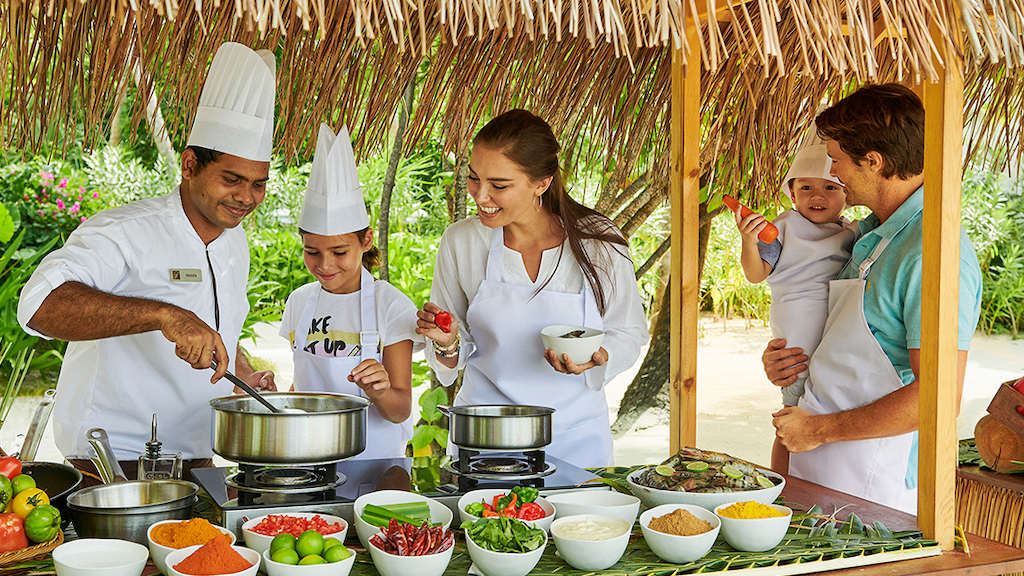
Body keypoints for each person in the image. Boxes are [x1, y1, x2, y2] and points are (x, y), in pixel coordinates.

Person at [17, 42, 278, 483]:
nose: (246, 197)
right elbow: (40, 306)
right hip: (110, 465)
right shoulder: (123, 231)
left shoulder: (236, 242)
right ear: (190, 165)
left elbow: (214, 324)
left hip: (198, 463)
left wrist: (242, 369)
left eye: (258, 184)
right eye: (231, 180)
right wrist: (163, 314)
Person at [762, 84, 983, 513]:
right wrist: (789, 361)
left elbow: (936, 398)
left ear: (874, 162)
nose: (835, 173)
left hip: (876, 486)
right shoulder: (867, 236)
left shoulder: (932, 251)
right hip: (818, 464)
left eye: (838, 160)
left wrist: (821, 430)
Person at [416, 109, 649, 469]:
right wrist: (445, 342)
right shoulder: (462, 242)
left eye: (499, 185)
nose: (480, 195)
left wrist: (599, 358)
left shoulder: (599, 242)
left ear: (541, 183)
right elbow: (452, 352)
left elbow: (629, 331)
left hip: (576, 438)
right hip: (486, 436)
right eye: (474, 178)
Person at [280, 124, 421, 459]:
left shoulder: (392, 306)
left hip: (375, 462)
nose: (325, 265)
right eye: (312, 251)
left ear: (366, 241)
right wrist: (279, 400)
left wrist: (380, 390)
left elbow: (399, 410)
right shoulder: (299, 302)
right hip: (309, 457)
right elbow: (301, 387)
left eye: (339, 252)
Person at [731, 131, 858, 473]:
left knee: (825, 406)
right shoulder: (781, 228)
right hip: (799, 322)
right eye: (806, 188)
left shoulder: (855, 231)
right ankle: (782, 484)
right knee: (794, 409)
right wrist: (748, 240)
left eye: (830, 187)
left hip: (836, 325)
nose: (817, 196)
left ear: (847, 191)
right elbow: (756, 274)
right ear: (791, 192)